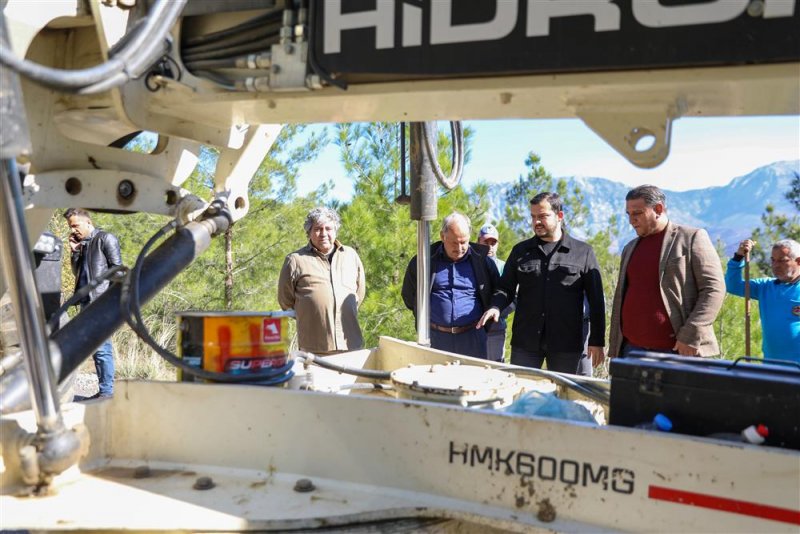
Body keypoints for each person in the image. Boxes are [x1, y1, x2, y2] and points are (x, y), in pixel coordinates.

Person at [478, 192, 605, 374]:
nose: (536, 222)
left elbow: (596, 300)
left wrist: (597, 341)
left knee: (566, 397)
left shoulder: (583, 252)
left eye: (543, 216)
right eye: (533, 217)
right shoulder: (521, 251)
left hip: (567, 344)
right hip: (526, 342)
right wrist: (495, 307)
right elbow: (505, 288)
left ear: (559, 216)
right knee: (522, 393)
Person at [608, 185, 725, 358]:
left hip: (678, 349)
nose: (631, 220)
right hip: (631, 349)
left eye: (637, 213)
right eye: (629, 214)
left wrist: (690, 334)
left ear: (658, 209)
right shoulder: (630, 248)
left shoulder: (691, 238)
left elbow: (714, 289)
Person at [402, 213, 499, 359]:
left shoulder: (483, 261)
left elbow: (499, 291)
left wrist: (494, 307)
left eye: (464, 242)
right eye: (454, 242)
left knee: (472, 381)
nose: (459, 248)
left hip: (473, 338)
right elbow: (409, 296)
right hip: (435, 339)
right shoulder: (423, 261)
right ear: (442, 236)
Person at [278, 207, 365, 354]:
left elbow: (359, 293)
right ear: (309, 233)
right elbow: (285, 301)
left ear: (335, 231)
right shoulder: (295, 260)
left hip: (351, 344)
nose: (324, 234)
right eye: (318, 229)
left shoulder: (351, 255)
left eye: (328, 228)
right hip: (315, 348)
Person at [64, 208, 122, 399]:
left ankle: (106, 392)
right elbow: (77, 273)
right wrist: (74, 252)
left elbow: (118, 271)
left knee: (102, 348)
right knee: (94, 349)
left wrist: (111, 302)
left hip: (101, 302)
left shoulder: (105, 239)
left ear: (88, 222)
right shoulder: (83, 245)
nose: (73, 230)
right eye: (70, 227)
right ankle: (104, 391)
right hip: (86, 303)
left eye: (75, 225)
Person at [725, 238, 800, 362]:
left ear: (798, 261)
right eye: (773, 260)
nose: (775, 265)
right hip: (771, 365)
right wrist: (738, 257)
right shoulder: (764, 286)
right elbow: (733, 285)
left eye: (782, 260)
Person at [477, 224, 514, 362]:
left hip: (496, 328)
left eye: (493, 243)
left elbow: (513, 297)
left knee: (495, 368)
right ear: (478, 242)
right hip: (472, 329)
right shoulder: (470, 265)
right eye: (486, 242)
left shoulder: (505, 267)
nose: (490, 246)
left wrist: (497, 311)